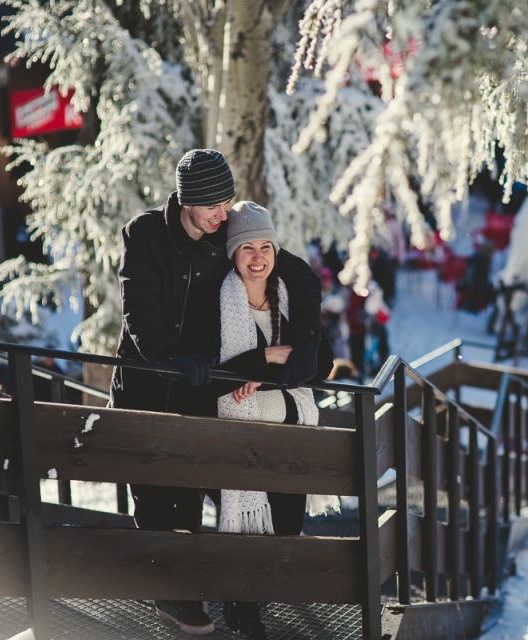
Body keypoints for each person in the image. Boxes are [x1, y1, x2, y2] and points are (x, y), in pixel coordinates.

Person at [110, 149, 322, 635]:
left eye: (228, 204)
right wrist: (171, 354)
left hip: (198, 388)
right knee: (154, 501)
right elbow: (138, 310)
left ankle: (222, 598)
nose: (223, 215)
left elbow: (295, 272)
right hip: (148, 383)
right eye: (214, 206)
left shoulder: (223, 229)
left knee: (200, 494)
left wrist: (307, 344)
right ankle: (176, 597)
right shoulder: (144, 235)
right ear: (188, 202)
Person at [210, 202, 337, 639]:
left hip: (292, 439)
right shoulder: (219, 302)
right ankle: (242, 611)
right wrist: (265, 358)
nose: (258, 256)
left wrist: (265, 373)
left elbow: (322, 362)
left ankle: (253, 600)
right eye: (247, 247)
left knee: (284, 528)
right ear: (232, 252)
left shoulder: (288, 298)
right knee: (249, 531)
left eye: (265, 246)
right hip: (240, 441)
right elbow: (213, 377)